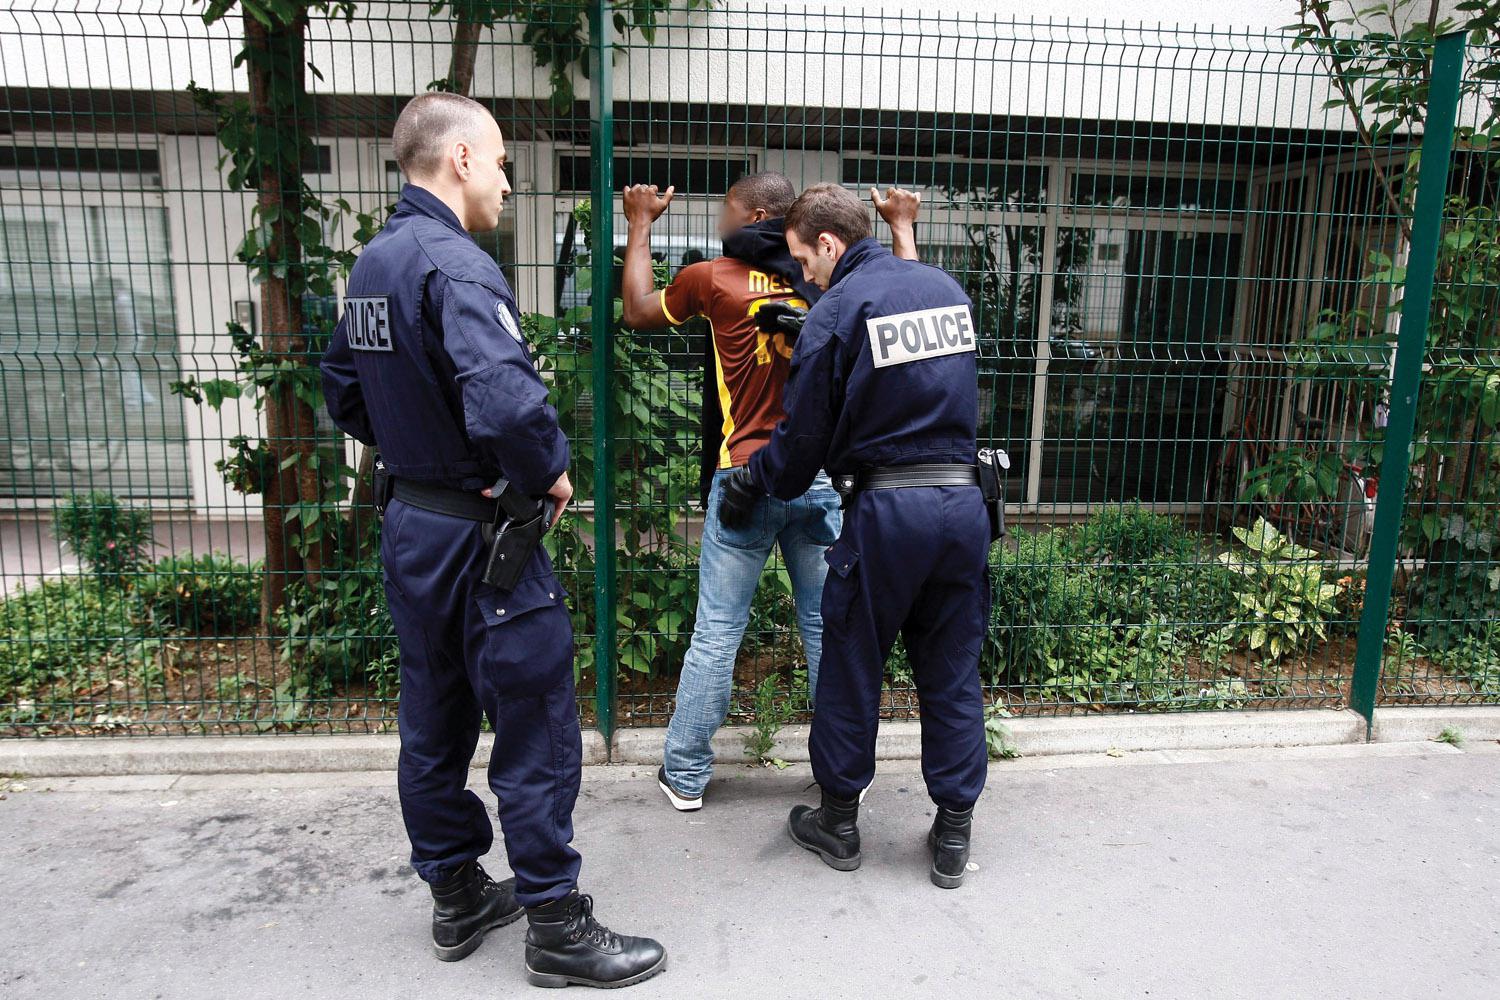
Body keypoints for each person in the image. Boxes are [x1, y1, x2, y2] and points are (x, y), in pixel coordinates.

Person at [319, 92, 666, 988]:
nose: (509, 181)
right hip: (484, 539)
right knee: (534, 717)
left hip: (414, 527)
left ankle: (458, 893)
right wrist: (547, 467)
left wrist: (418, 443)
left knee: (432, 716)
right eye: (503, 161)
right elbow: (509, 402)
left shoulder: (374, 265)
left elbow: (345, 394)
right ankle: (555, 923)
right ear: (462, 159)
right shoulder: (455, 265)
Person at [618, 174, 921, 812]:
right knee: (824, 626)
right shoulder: (833, 284)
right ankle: (841, 773)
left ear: (756, 214)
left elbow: (639, 310)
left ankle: (687, 774)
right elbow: (904, 297)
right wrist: (899, 227)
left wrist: (641, 222)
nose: (721, 220)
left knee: (718, 630)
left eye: (727, 209)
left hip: (745, 477)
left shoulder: (712, 278)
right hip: (819, 478)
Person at [723, 183, 989, 889]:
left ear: (830, 245)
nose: (802, 272)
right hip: (962, 507)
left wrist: (758, 479)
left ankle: (839, 822)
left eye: (805, 258)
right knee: (952, 666)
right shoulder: (945, 289)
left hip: (886, 513)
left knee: (851, 660)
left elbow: (802, 441)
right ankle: (954, 830)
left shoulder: (836, 311)